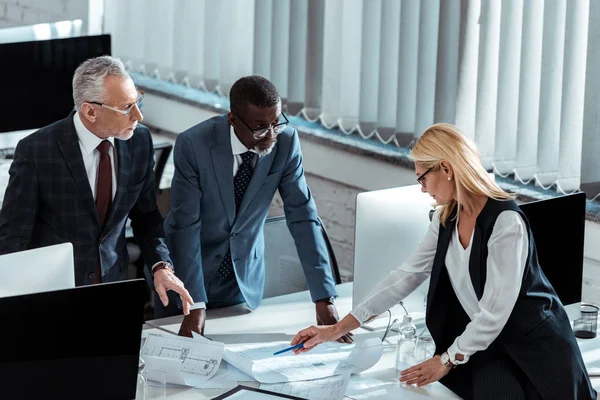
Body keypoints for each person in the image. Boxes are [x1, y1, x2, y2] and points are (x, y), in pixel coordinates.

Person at [290, 123, 596, 399]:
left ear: (446, 169)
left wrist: (446, 360)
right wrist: (336, 329)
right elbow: (405, 276)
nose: (422, 188)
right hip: (491, 346)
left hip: (535, 346)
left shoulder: (505, 223)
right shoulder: (446, 218)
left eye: (423, 178)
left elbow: (494, 313)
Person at [0, 56, 194, 314]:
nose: (138, 115)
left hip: (113, 286)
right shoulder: (37, 150)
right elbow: (13, 238)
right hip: (54, 293)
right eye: (126, 108)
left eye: (137, 101)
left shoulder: (139, 142)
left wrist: (161, 267)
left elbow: (146, 217)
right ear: (90, 111)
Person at [163, 75, 348, 340]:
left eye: (276, 123)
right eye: (260, 127)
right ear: (233, 119)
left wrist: (324, 298)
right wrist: (196, 305)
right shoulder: (194, 145)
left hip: (240, 282)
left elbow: (303, 217)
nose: (271, 135)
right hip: (186, 278)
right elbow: (185, 227)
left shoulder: (285, 143)